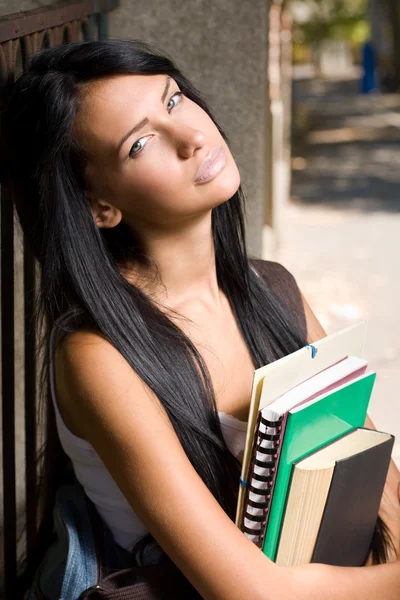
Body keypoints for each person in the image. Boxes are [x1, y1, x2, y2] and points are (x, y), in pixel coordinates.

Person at [1, 39, 399, 599]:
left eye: (174, 100)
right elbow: (254, 595)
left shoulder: (273, 289)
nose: (192, 136)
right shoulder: (99, 358)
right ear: (99, 206)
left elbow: (380, 484)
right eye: (140, 143)